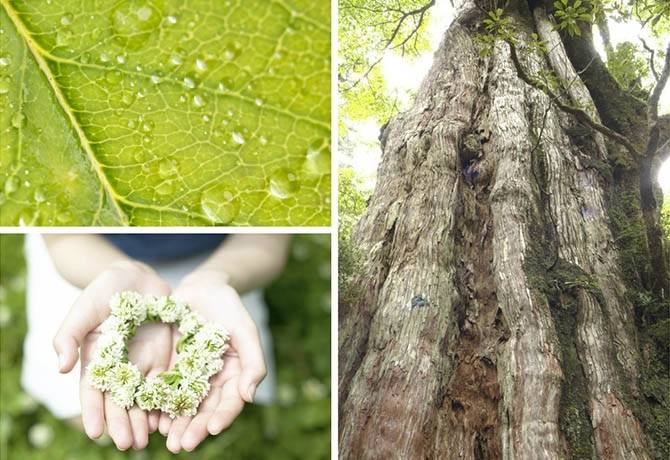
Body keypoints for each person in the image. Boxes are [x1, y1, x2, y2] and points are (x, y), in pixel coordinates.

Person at [20, 234, 290, 453]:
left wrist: (218, 278)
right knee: (81, 409)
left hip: (224, 259)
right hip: (89, 256)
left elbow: (266, 240)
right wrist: (119, 271)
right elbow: (62, 237)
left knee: (226, 379)